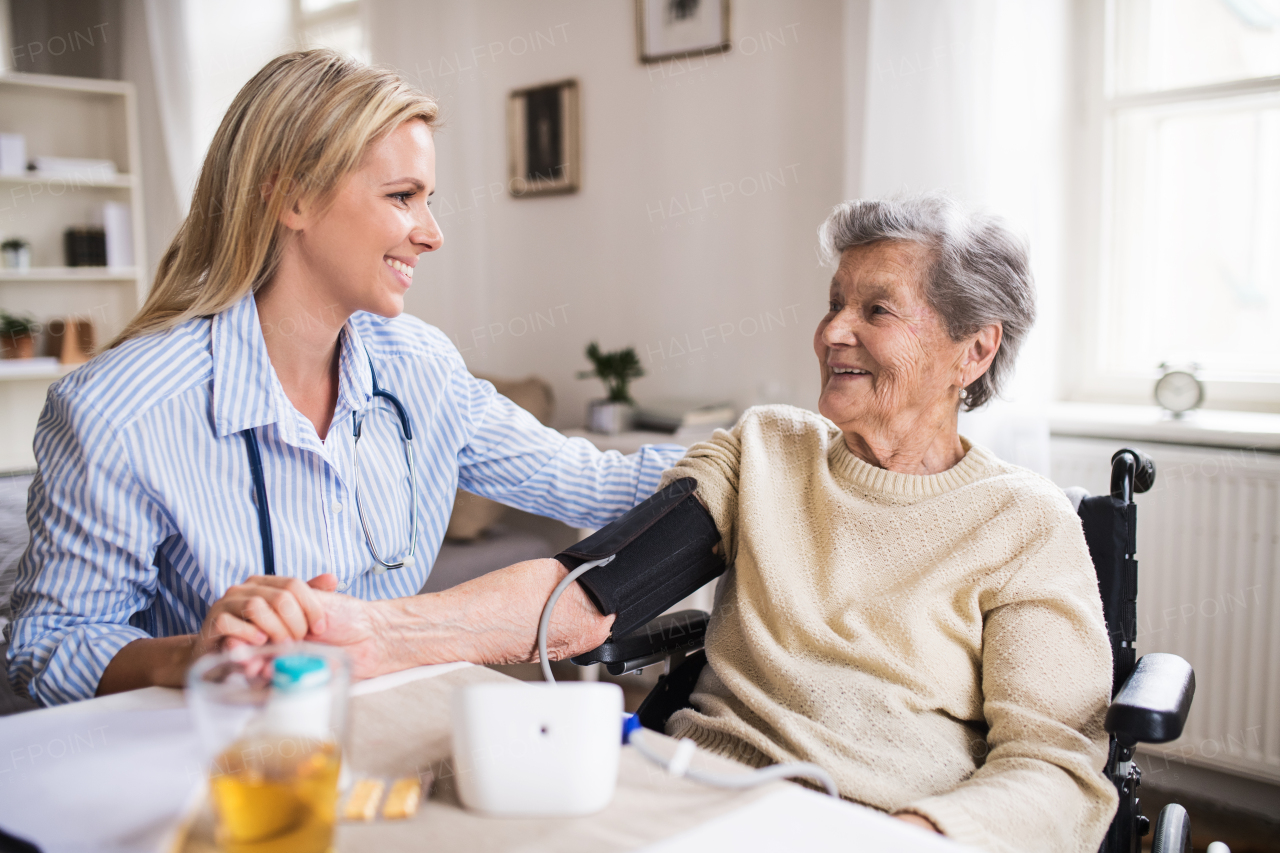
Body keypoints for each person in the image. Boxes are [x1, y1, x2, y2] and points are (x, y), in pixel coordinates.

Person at [296, 193, 1119, 853]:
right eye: (835, 302)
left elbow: (1054, 764)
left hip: (881, 825)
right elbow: (586, 592)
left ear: (973, 351)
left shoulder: (1025, 523)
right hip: (697, 799)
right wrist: (371, 629)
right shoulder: (768, 449)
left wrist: (915, 834)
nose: (833, 331)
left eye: (877, 310)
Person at [4, 49, 681, 707]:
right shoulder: (119, 410)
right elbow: (48, 642)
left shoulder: (421, 367)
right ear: (292, 196)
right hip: (212, 765)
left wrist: (765, 454)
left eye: (429, 198)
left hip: (382, 734)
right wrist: (193, 655)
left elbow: (596, 485)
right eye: (402, 197)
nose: (432, 233)